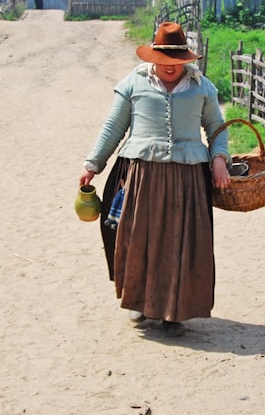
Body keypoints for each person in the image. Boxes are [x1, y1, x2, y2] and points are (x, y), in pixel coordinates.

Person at [80, 22, 231, 335]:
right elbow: (113, 127)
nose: (170, 66)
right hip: (141, 174)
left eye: (177, 60)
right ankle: (137, 301)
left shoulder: (202, 87)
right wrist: (93, 164)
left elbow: (216, 127)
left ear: (186, 58)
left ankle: (174, 312)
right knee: (137, 237)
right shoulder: (134, 83)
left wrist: (219, 160)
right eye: (164, 59)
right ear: (154, 56)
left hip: (188, 178)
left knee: (181, 242)